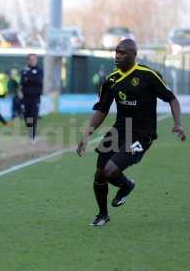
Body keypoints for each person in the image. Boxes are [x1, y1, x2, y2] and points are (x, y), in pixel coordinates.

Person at [77, 39, 186, 226]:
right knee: (100, 173)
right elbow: (102, 110)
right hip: (120, 130)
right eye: (116, 52)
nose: (117, 56)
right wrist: (86, 134)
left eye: (122, 53)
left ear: (133, 55)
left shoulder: (148, 75)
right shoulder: (111, 80)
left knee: (111, 171)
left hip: (143, 134)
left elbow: (172, 99)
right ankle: (103, 214)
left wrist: (178, 124)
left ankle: (127, 185)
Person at [20, 53, 43, 142]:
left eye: (34, 59)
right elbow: (22, 82)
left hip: (36, 97)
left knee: (34, 116)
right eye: (31, 59)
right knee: (27, 116)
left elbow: (38, 81)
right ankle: (30, 134)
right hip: (26, 97)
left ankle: (32, 136)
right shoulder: (24, 70)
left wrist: (29, 77)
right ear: (28, 60)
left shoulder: (39, 70)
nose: (33, 61)